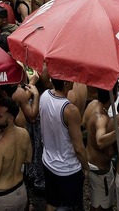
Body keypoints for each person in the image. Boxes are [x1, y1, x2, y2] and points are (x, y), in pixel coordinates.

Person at [39, 78, 88, 211]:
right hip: (67, 169)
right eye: (71, 78)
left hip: (48, 161)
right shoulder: (70, 110)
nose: (74, 80)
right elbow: (79, 148)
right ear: (65, 83)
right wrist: (86, 167)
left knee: (51, 202)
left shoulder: (44, 96)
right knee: (72, 207)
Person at [0, 97, 32, 211]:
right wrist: (11, 161)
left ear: (11, 119)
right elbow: (28, 159)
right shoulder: (24, 133)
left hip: (3, 199)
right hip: (21, 192)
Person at [83, 88, 116, 211]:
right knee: (102, 206)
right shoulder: (101, 118)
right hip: (100, 168)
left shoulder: (92, 104)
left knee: (96, 200)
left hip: (91, 162)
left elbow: (85, 124)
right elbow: (100, 141)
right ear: (114, 94)